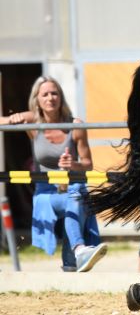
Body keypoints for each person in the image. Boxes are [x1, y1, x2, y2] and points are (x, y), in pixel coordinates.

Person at [0, 76, 107, 272]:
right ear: (37, 100)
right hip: (46, 193)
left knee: (75, 199)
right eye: (45, 94)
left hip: (73, 188)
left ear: (61, 97)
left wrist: (73, 164)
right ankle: (78, 253)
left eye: (54, 93)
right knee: (75, 203)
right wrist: (12, 119)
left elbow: (88, 164)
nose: (50, 98)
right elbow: (2, 121)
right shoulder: (32, 122)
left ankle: (75, 256)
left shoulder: (75, 125)